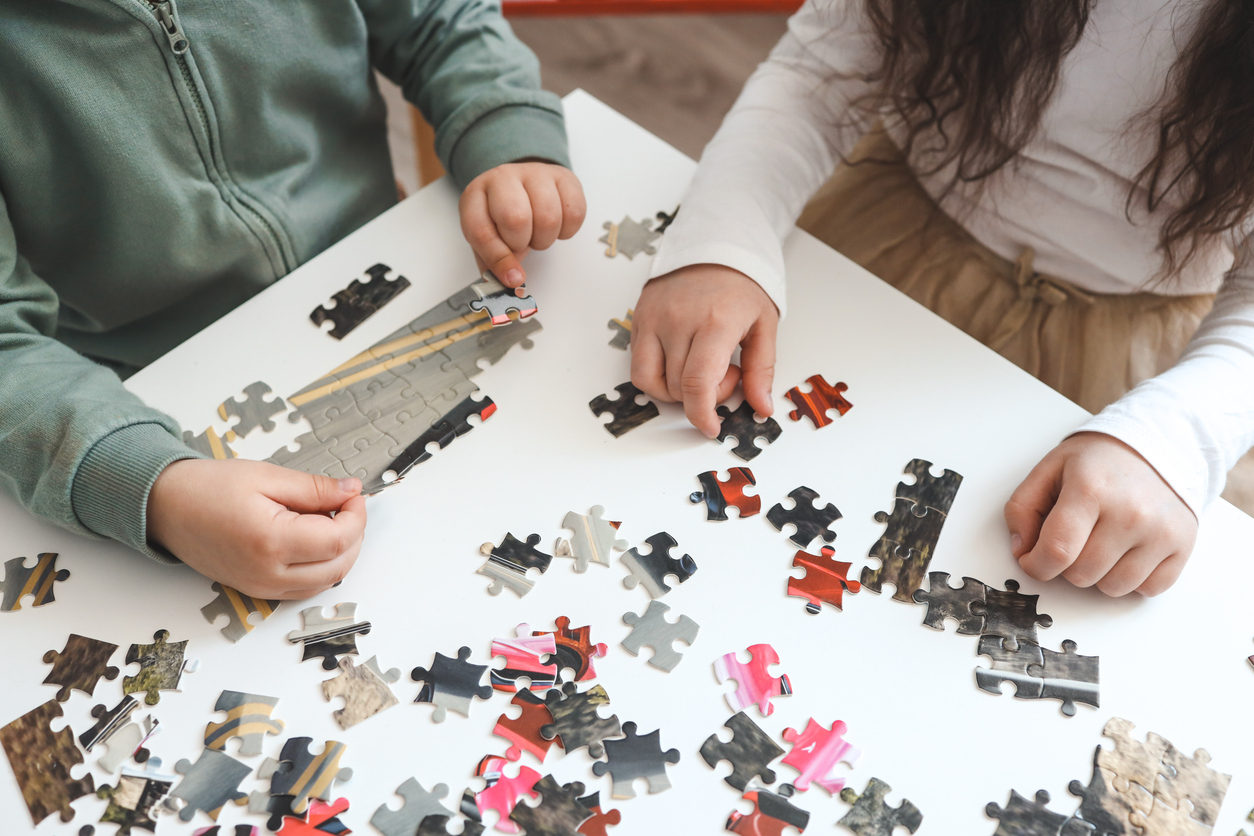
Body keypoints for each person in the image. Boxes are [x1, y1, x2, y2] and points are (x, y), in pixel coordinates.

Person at [632, 0, 1254, 597]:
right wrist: (720, 244)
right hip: (885, 236)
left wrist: (1173, 437)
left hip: (1123, 355)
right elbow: (815, 76)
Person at [0, 2, 585, 600]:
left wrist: (511, 138)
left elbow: (440, 21)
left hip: (391, 272)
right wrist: (152, 490)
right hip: (143, 391)